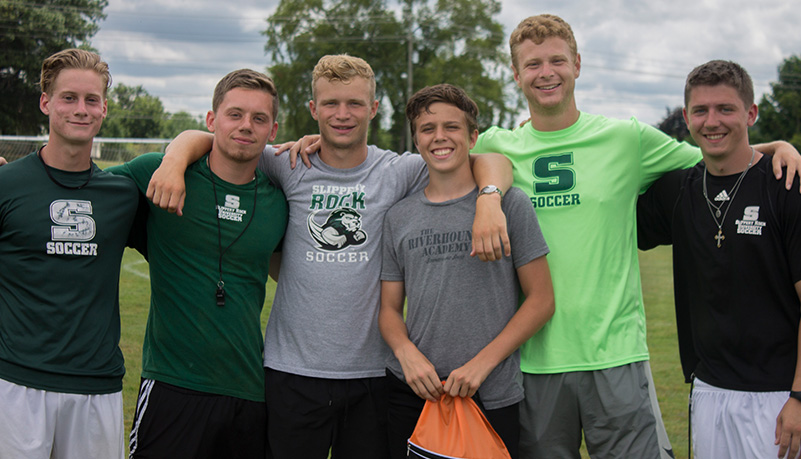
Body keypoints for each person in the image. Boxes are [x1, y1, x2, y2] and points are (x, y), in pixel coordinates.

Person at [146, 54, 513, 458]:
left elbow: (490, 161)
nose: (343, 114)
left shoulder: (398, 171)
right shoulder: (285, 163)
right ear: (313, 110)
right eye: (331, 104)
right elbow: (212, 137)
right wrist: (175, 157)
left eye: (355, 103)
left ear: (373, 109)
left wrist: (490, 199)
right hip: (291, 372)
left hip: (373, 374)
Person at [469, 14, 801, 459]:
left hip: (617, 356)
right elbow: (445, 168)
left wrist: (779, 147)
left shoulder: (626, 138)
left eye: (557, 61)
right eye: (532, 65)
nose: (546, 73)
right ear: (515, 74)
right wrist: (489, 197)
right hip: (533, 360)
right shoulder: (494, 144)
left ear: (578, 65)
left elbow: (717, 152)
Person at [107, 69, 288, 458]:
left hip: (249, 391)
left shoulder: (281, 200)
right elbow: (81, 190)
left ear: (273, 131)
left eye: (259, 119)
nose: (246, 126)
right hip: (172, 385)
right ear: (211, 120)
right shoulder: (158, 173)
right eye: (234, 114)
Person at [378, 83, 555, 459]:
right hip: (414, 392)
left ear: (473, 136)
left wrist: (481, 365)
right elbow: (390, 309)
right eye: (428, 129)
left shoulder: (510, 204)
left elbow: (541, 301)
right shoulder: (398, 217)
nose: (439, 137)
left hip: (490, 392)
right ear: (416, 140)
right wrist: (405, 351)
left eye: (452, 127)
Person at [637, 60, 801, 459]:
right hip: (708, 391)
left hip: (778, 397)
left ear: (750, 113)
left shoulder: (787, 186)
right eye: (700, 111)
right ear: (687, 118)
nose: (712, 121)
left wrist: (799, 396)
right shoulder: (680, 189)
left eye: (725, 109)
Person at [0, 49, 140, 459]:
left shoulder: (124, 193)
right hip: (16, 385)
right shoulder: (7, 183)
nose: (81, 109)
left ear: (104, 109)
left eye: (91, 100)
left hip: (96, 388)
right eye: (68, 98)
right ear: (45, 102)